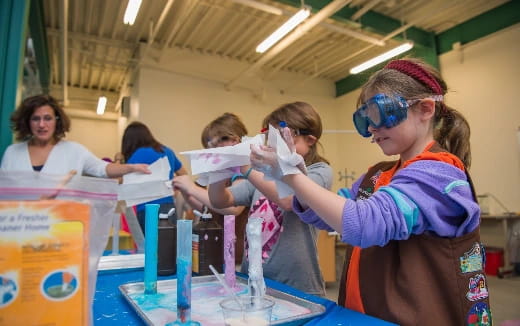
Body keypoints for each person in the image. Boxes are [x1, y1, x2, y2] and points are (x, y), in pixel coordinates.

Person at [250, 58, 491, 325]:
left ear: (425, 109)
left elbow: (364, 224)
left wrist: (292, 177)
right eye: (365, 119)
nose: (373, 128)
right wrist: (295, 174)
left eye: (381, 114)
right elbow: (329, 213)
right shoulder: (377, 174)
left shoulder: (440, 173)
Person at [208, 102, 332, 297]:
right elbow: (221, 200)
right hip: (255, 282)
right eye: (270, 136)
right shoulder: (262, 174)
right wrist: (217, 173)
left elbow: (289, 199)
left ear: (310, 140)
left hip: (298, 287)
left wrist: (245, 168)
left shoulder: (320, 172)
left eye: (282, 137)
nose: (273, 144)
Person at [0, 94, 150, 178]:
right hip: (18, 227)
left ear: (57, 121)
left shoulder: (74, 151)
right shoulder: (13, 153)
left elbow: (102, 169)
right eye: (35, 119)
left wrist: (130, 167)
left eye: (47, 118)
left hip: (61, 228)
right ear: (27, 122)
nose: (41, 125)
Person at [172, 112, 249, 263]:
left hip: (236, 254)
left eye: (216, 143)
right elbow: (208, 207)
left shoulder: (244, 169)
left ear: (235, 140)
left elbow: (232, 208)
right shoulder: (223, 170)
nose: (210, 149)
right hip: (217, 249)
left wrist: (192, 188)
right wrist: (187, 192)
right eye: (208, 144)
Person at [121, 121, 188, 234]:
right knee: (170, 246)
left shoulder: (136, 155)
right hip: (169, 207)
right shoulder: (167, 151)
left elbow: (123, 182)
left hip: (146, 209)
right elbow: (184, 175)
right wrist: (174, 185)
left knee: (151, 248)